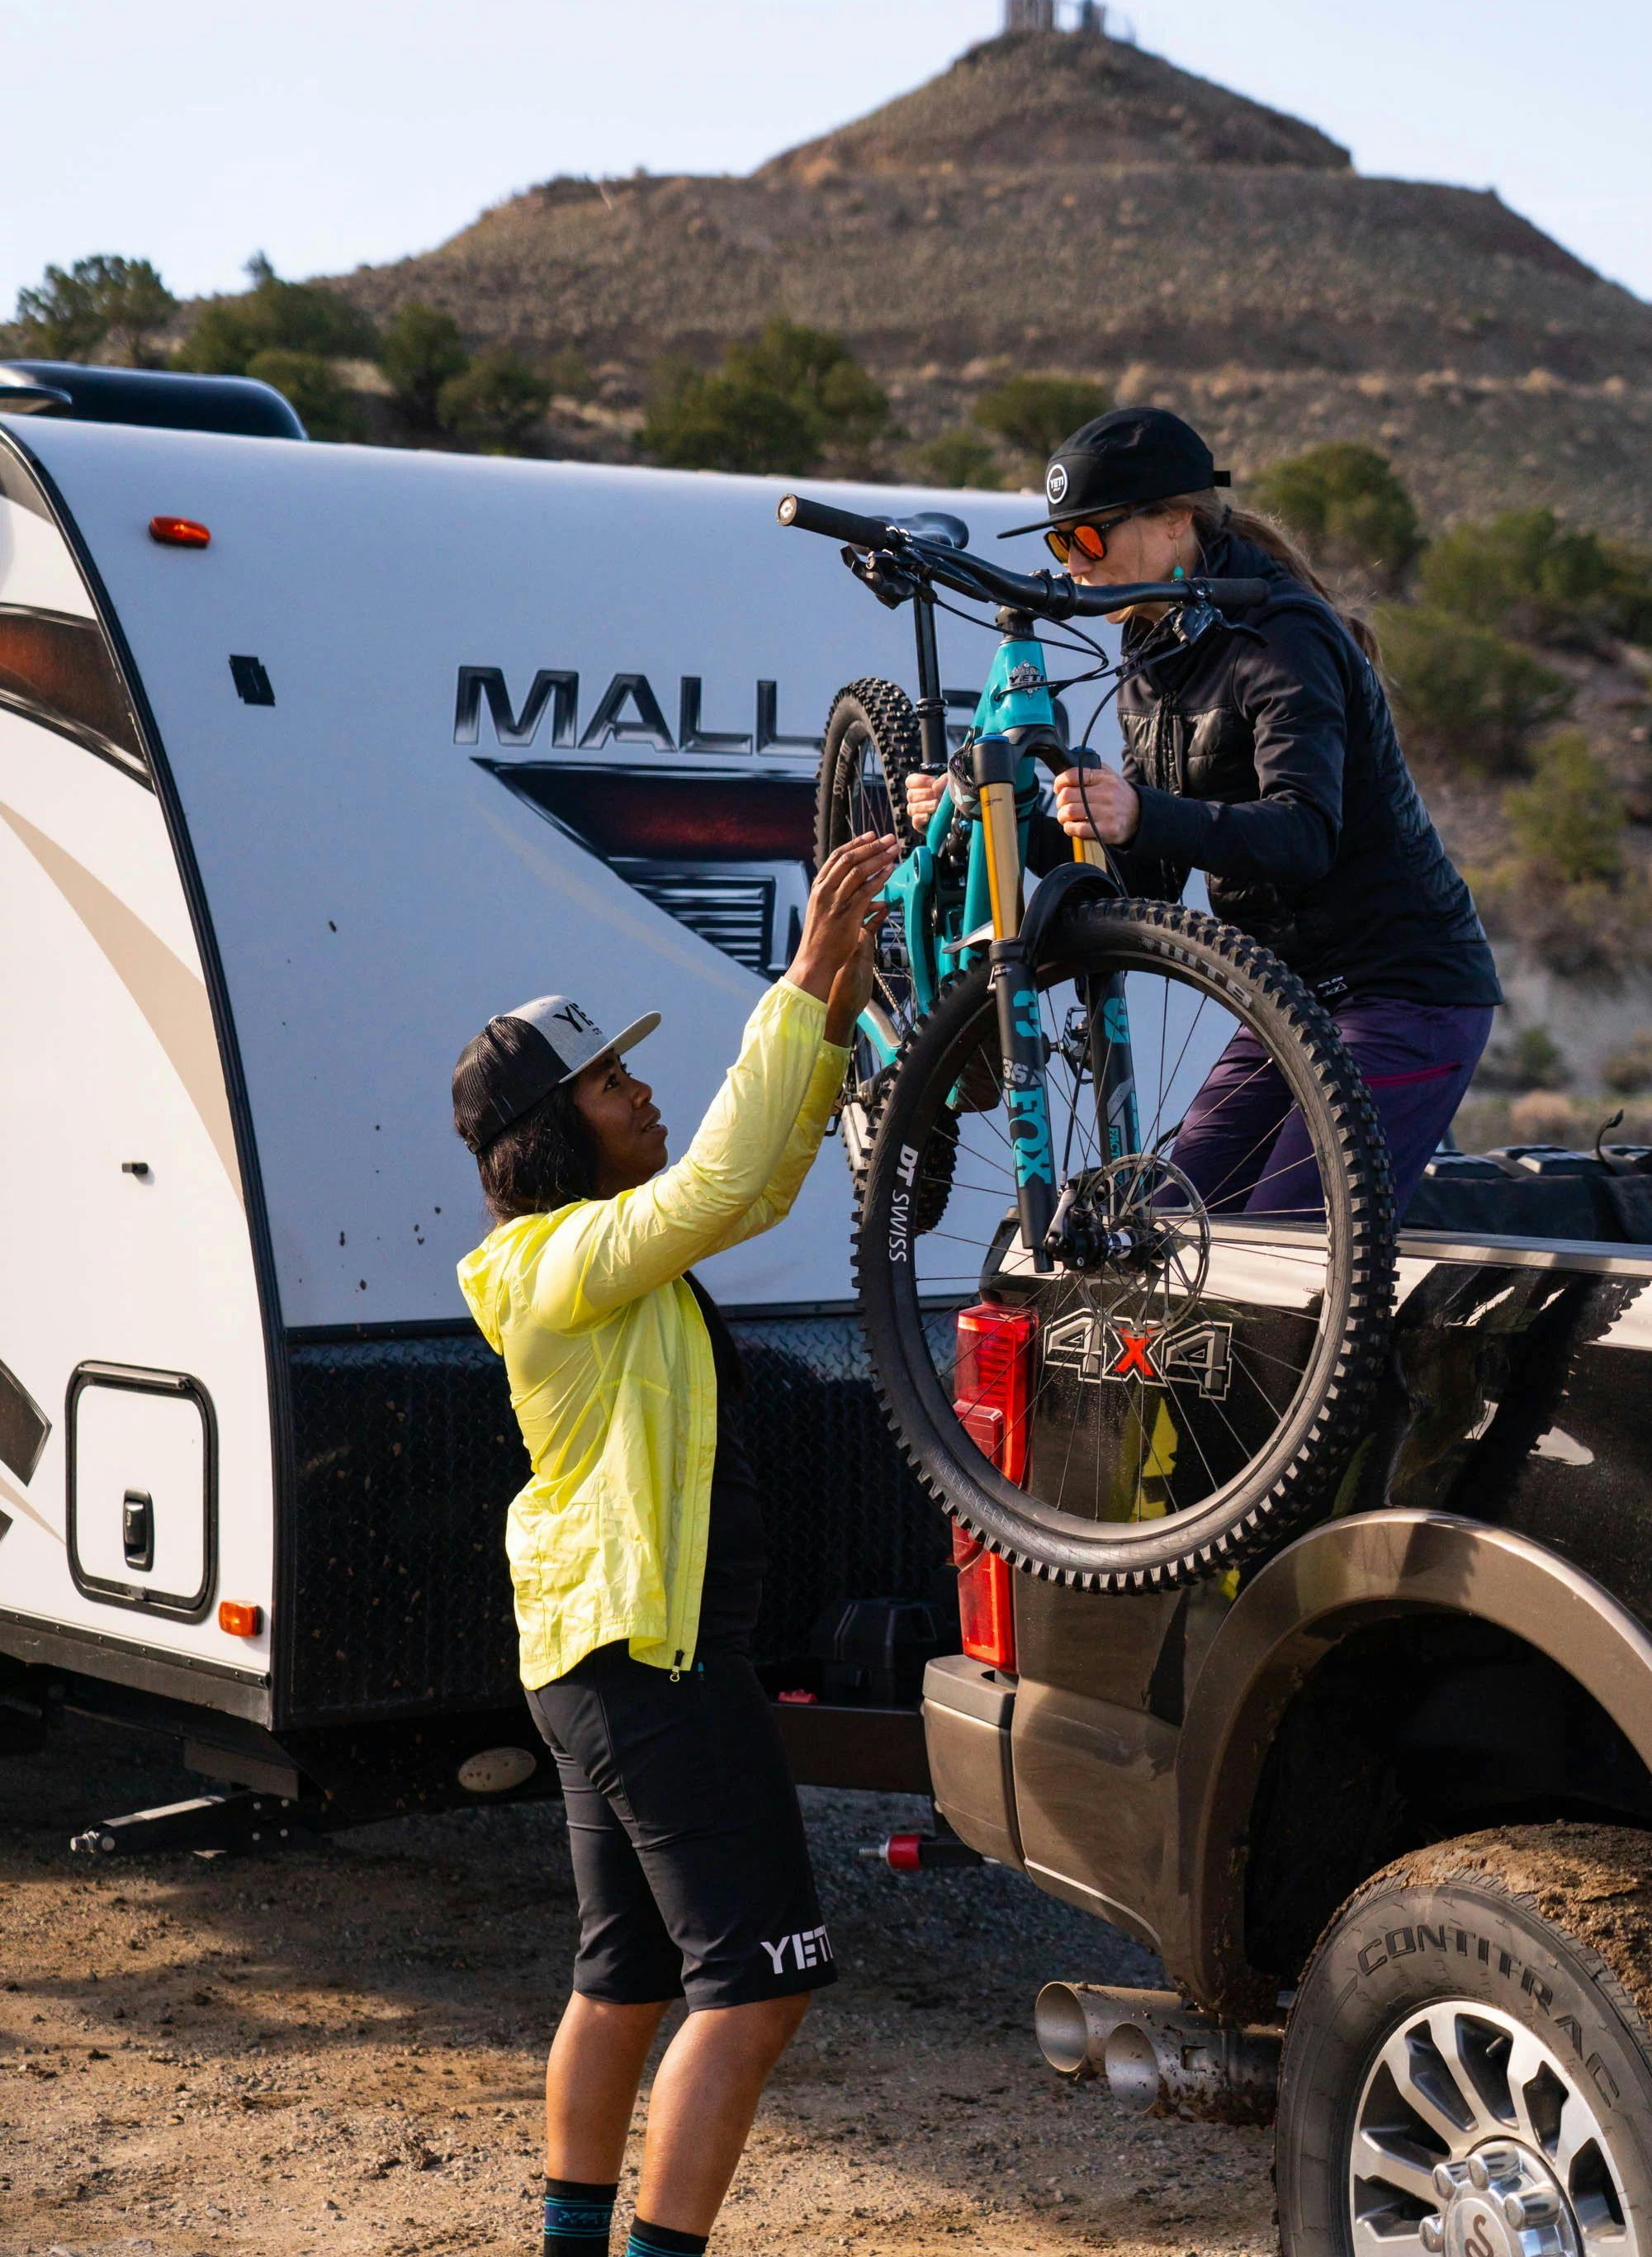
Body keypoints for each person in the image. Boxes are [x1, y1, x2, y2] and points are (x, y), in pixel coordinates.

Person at [450, 831, 897, 2257]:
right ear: (551, 1131)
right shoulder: (539, 1263)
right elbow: (716, 1188)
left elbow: (746, 1189)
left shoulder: (605, 1249)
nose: (643, 1093)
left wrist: (827, 1020)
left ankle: (573, 2246)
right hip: (647, 1666)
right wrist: (806, 972)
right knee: (758, 1987)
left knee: (623, 1974)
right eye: (613, 1082)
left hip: (600, 1662)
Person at [906, 405, 1500, 1216]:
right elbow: (1144, 878)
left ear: (1175, 525)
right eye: (1058, 542)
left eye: (1088, 536)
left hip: (1404, 989)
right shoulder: (1150, 644)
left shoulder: (1282, 637)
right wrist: (1003, 822)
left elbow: (1304, 837)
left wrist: (1140, 810)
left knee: (1289, 1262)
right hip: (1285, 990)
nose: (1072, 563)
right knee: (1175, 1224)